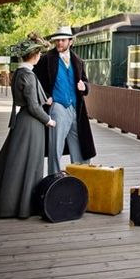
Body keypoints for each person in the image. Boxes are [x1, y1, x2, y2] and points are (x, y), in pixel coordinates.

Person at [0, 34, 56, 218]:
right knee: (29, 164)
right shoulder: (28, 75)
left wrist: (45, 100)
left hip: (23, 122)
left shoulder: (20, 73)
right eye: (39, 54)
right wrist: (48, 120)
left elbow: (31, 99)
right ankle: (22, 207)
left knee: (16, 163)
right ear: (35, 55)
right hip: (31, 125)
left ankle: (9, 204)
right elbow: (33, 106)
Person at [34, 26, 96, 175]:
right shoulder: (46, 59)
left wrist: (84, 87)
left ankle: (81, 177)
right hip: (58, 107)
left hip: (76, 109)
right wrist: (45, 97)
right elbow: (35, 81)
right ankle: (53, 178)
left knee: (80, 146)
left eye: (63, 40)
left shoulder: (78, 61)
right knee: (55, 147)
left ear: (70, 41)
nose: (59, 43)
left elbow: (86, 82)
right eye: (57, 40)